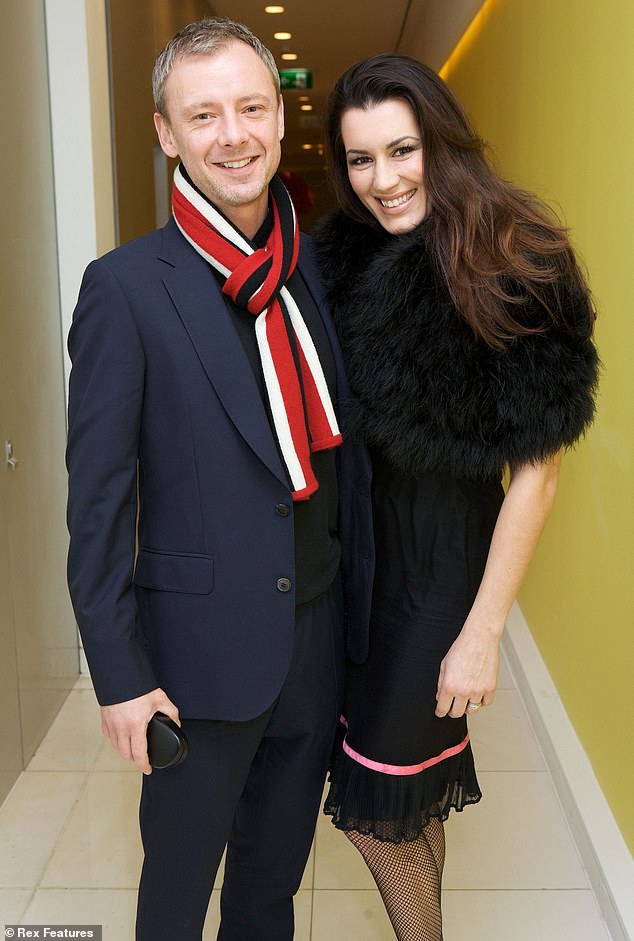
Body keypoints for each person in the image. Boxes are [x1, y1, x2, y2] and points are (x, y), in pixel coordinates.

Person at [65, 18, 373, 941]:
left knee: (269, 893)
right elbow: (97, 506)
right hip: (194, 665)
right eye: (204, 115)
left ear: (280, 119)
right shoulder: (124, 287)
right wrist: (120, 677)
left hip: (314, 650)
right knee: (174, 903)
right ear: (168, 134)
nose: (232, 134)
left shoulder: (318, 268)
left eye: (249, 107)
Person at [314, 54, 599, 941]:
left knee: (372, 808)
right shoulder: (345, 256)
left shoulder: (520, 257)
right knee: (404, 795)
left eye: (402, 151)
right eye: (361, 160)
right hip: (358, 550)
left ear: (442, 141)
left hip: (439, 563)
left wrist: (481, 632)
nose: (384, 181)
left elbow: (539, 471)